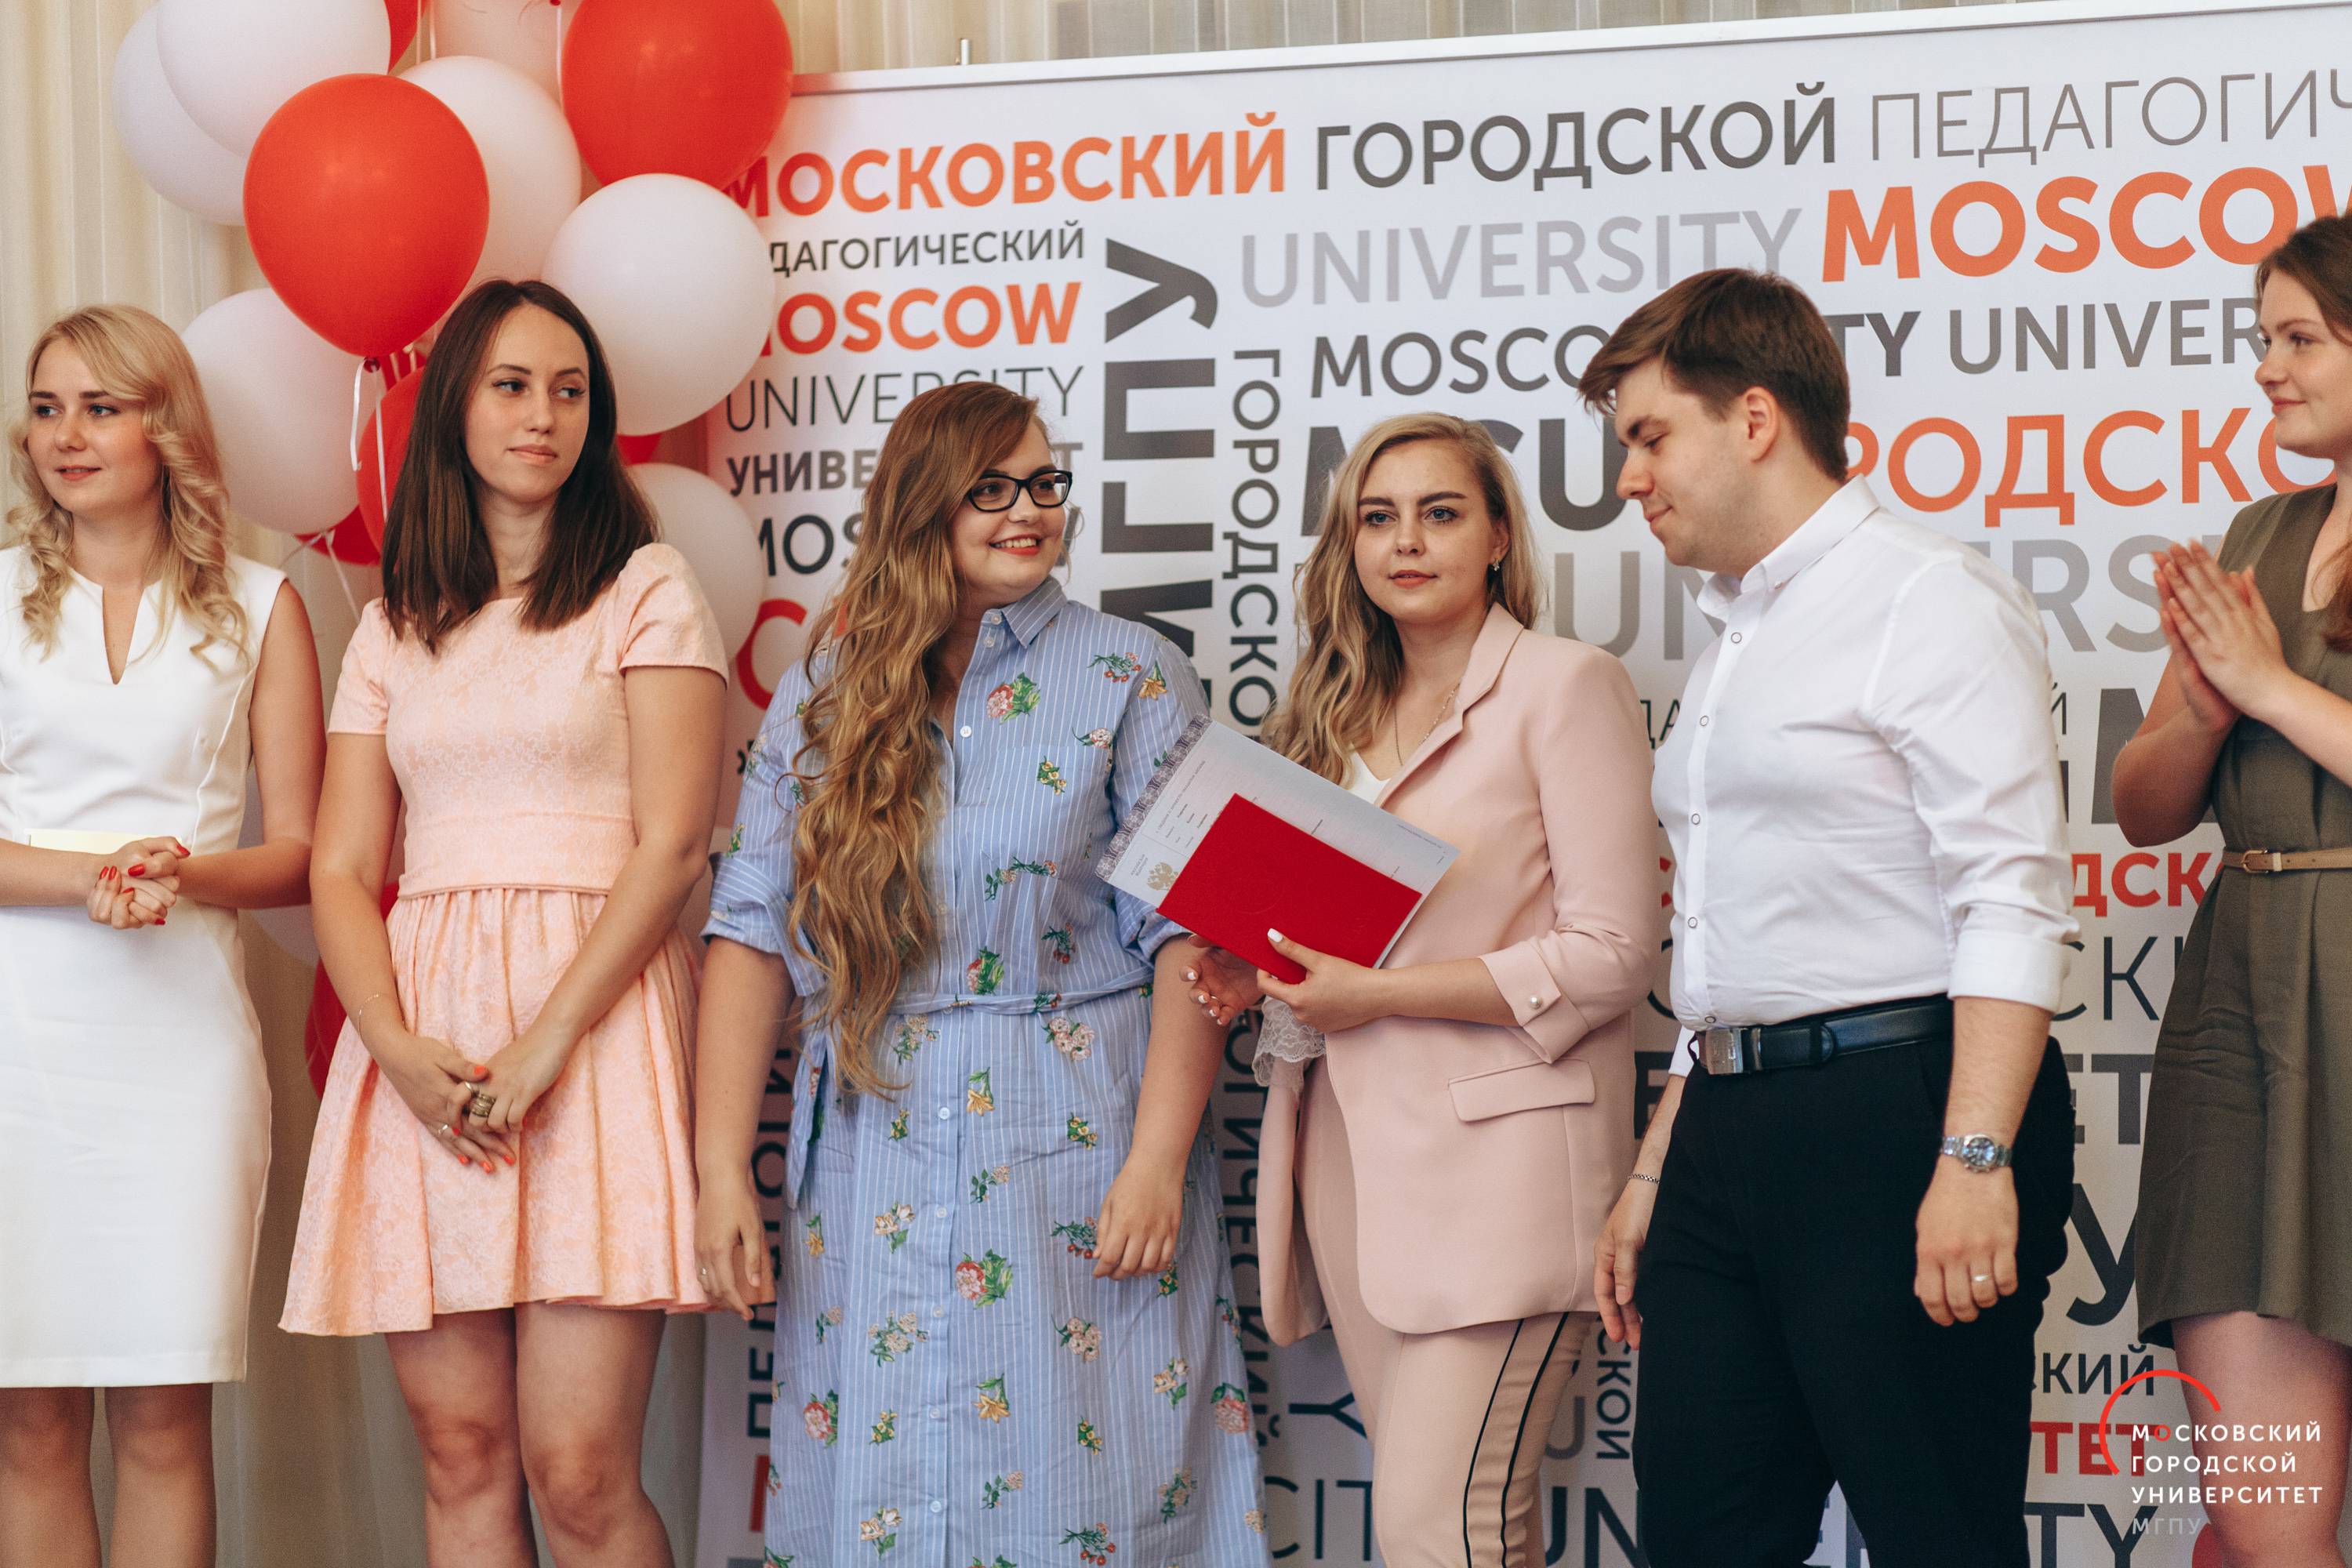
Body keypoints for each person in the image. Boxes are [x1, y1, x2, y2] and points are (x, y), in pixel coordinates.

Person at [693, 379, 1269, 1568]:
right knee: (888, 1485)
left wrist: (1157, 1163)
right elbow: (752, 929)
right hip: (873, 1147)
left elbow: (1188, 937)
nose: (1029, 510)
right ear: (924, 505)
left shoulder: (1132, 672)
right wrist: (717, 1174)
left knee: (1084, 1486)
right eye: (992, 488)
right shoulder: (826, 683)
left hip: (1078, 1139)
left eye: (1044, 482)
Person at [1578, 269, 2077, 1566]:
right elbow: (1732, 956)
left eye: (1651, 436)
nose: (1629, 478)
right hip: (1725, 1124)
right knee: (1701, 1538)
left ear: (1754, 418)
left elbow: (2011, 894)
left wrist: (1975, 1160)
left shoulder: (1927, 598)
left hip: (1901, 1113)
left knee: (1938, 1538)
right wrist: (1657, 1170)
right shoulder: (1733, 638)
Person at [280, 279, 726, 1568]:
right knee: (462, 1455)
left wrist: (545, 1044)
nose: (544, 415)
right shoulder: (391, 629)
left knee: (578, 1470)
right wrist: (395, 1050)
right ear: (454, 412)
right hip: (424, 1042)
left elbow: (673, 845)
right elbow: (343, 865)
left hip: (592, 1030)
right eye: (513, 386)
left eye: (570, 391)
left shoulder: (646, 587)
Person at [1181, 412, 1657, 1567]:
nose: (1406, 541)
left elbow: (1614, 953)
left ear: (1497, 536)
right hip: (1351, 1165)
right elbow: (1341, 948)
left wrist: (1378, 994)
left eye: (1440, 513)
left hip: (1507, 1176)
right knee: (1457, 1532)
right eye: (1377, 518)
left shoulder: (1566, 686)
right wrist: (1261, 968)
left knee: (1438, 1531)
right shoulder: (1328, 717)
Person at [0, 304, 323, 1568]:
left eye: (101, 406)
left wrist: (183, 876)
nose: (66, 435)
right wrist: (91, 878)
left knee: (163, 1418)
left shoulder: (264, 604)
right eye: (46, 408)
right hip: (20, 1049)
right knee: (28, 1424)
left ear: (167, 425)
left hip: (182, 1054)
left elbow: (301, 852)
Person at [2120, 212, 2352, 1566]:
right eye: (2263, 339)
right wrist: (2208, 712)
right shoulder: (2259, 531)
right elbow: (2144, 809)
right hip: (2241, 1013)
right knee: (2261, 1526)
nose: (2267, 368)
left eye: (2300, 339)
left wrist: (2266, 685)